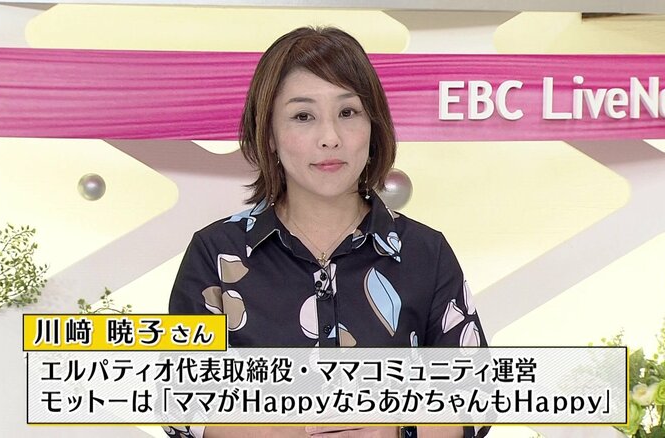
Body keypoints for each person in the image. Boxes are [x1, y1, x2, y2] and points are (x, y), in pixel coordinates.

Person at [168, 26, 490, 438]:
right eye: (303, 116)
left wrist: (393, 428)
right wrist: (281, 430)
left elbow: (476, 400)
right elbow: (178, 402)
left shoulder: (425, 252)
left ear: (373, 127)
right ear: (269, 134)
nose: (330, 138)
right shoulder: (216, 252)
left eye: (348, 113)